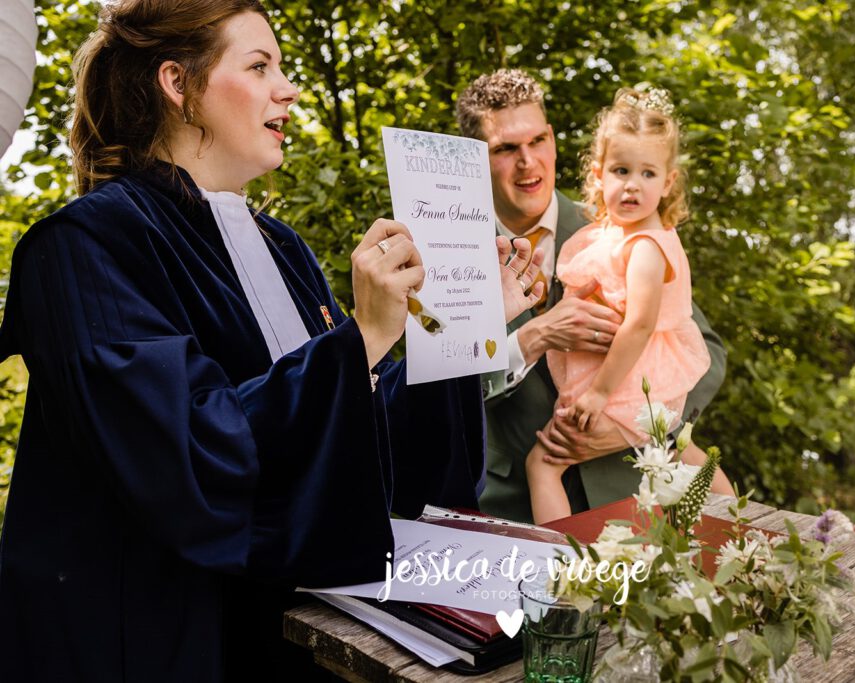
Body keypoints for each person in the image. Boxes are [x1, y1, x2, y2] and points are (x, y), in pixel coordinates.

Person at [0, 2, 543, 681]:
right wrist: (361, 337)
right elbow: (191, 458)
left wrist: (462, 330)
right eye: (260, 66)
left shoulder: (284, 249)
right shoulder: (81, 247)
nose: (288, 88)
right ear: (179, 83)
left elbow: (369, 451)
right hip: (160, 646)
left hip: (301, 641)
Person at [456, 70, 728, 523]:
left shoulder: (623, 225)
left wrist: (639, 427)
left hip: (631, 491)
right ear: (475, 159)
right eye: (506, 149)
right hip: (514, 507)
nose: (528, 162)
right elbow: (445, 386)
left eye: (538, 141)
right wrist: (531, 338)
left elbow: (701, 350)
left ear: (554, 140)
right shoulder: (452, 252)